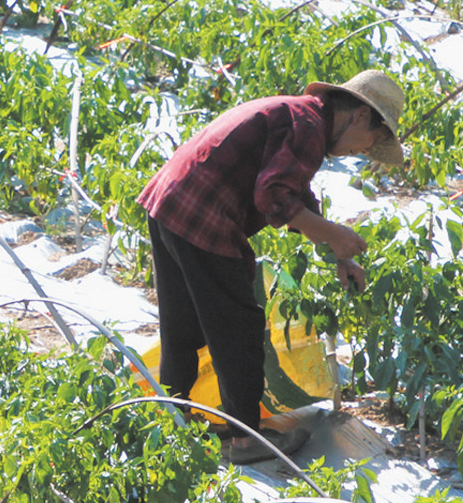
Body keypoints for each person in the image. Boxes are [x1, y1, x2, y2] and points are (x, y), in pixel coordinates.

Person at [139, 69, 405, 464]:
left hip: (170, 201)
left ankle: (172, 426)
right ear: (361, 116)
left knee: (181, 327)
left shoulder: (301, 116)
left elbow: (295, 192)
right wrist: (334, 234)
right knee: (237, 327)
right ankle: (246, 439)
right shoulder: (308, 126)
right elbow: (273, 196)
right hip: (202, 214)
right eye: (367, 143)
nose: (358, 152)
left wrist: (339, 253)